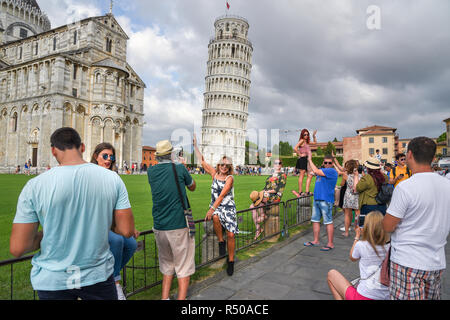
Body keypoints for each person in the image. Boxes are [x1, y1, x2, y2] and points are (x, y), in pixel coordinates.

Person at [10, 127, 135, 300]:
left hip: (53, 279)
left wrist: (49, 233)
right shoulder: (112, 178)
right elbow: (127, 230)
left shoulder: (34, 185)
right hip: (97, 275)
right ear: (82, 147)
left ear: (53, 150)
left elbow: (18, 247)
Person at [383, 137, 450, 300]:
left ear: (410, 154)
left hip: (408, 260)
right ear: (433, 158)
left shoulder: (405, 188)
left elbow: (388, 226)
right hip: (436, 260)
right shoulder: (447, 185)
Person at [147, 140, 196, 300]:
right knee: (183, 266)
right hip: (178, 223)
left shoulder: (151, 172)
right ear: (171, 153)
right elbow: (192, 186)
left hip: (159, 224)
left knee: (167, 265)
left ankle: (165, 297)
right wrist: (181, 165)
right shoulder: (180, 169)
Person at [91, 142, 140, 300]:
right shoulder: (89, 176)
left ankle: (107, 276)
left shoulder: (113, 177)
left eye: (111, 157)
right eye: (104, 156)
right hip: (92, 226)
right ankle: (115, 284)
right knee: (118, 241)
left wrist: (128, 229)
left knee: (131, 244)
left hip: (109, 225)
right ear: (95, 156)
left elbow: (118, 210)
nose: (108, 159)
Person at [193, 135, 238, 276]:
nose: (224, 167)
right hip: (216, 207)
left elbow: (222, 195)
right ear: (218, 165)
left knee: (231, 235)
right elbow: (202, 161)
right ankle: (220, 241)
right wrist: (195, 145)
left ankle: (230, 261)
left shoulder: (230, 178)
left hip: (228, 207)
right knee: (216, 218)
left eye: (226, 165)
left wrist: (211, 209)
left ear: (229, 167)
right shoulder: (214, 174)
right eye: (222, 164)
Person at [327, 211, 390, 300]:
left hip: (363, 296)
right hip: (385, 296)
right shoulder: (390, 246)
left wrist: (357, 236)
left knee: (331, 274)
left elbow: (352, 257)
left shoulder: (361, 245)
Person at [303, 154, 338, 251]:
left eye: (329, 163)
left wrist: (310, 159)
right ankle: (316, 240)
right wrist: (308, 160)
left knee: (328, 222)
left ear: (332, 164)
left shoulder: (332, 171)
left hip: (326, 200)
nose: (327, 164)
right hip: (317, 199)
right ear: (323, 162)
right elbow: (310, 171)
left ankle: (330, 243)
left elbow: (315, 171)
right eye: (325, 162)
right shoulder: (322, 171)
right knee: (315, 220)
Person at [249, 159, 287, 239]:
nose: (277, 164)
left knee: (261, 200)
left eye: (279, 163)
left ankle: (262, 215)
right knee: (252, 206)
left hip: (275, 196)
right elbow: (265, 188)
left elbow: (278, 189)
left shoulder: (282, 175)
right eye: (275, 163)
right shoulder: (270, 176)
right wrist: (260, 193)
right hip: (267, 194)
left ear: (281, 165)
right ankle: (258, 229)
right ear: (274, 165)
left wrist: (265, 192)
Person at [355, 157, 388, 228]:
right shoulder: (384, 176)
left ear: (368, 168)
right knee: (380, 228)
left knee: (368, 229)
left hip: (369, 206)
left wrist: (357, 176)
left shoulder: (367, 178)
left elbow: (358, 188)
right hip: (382, 204)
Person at [334, 159, 361, 237]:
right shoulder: (359, 175)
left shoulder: (345, 175)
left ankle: (346, 232)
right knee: (357, 214)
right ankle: (358, 231)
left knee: (347, 214)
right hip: (357, 195)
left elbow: (342, 184)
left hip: (348, 195)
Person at [292, 129, 317, 197]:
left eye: (307, 134)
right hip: (303, 159)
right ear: (302, 135)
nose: (306, 136)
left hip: (307, 160)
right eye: (304, 134)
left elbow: (315, 143)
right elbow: (295, 148)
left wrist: (314, 136)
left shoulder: (307, 141)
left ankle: (307, 191)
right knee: (302, 175)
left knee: (310, 175)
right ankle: (300, 192)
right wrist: (300, 154)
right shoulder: (302, 140)